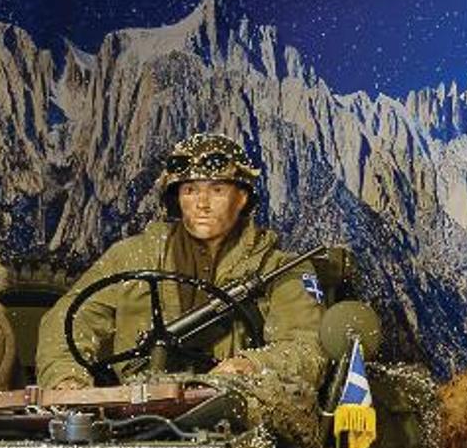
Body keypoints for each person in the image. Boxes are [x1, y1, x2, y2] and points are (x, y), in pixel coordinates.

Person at [37, 133, 325, 389]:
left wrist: (250, 365)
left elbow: (306, 348)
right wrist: (66, 378)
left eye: (217, 190)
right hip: (140, 407)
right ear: (177, 198)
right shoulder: (132, 257)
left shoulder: (280, 268)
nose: (202, 203)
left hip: (237, 406)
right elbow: (67, 320)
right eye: (190, 190)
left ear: (241, 198)